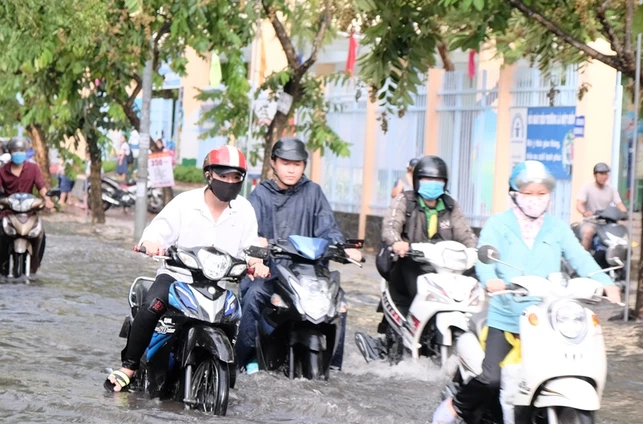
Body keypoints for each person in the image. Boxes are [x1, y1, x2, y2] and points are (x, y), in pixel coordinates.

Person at [433, 161, 622, 424]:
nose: (536, 199)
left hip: (546, 321)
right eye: (529, 193)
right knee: (491, 379)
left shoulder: (557, 228)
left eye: (542, 193)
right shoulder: (498, 224)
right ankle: (456, 406)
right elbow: (485, 258)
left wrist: (605, 282)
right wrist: (491, 280)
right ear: (515, 193)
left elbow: (580, 258)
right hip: (506, 318)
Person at [104, 145, 270, 392]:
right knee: (152, 306)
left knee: (236, 317)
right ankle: (128, 367)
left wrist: (257, 263)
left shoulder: (244, 210)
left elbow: (251, 247)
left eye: (236, 177)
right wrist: (152, 243)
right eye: (223, 175)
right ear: (209, 175)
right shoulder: (184, 203)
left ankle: (228, 369)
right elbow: (156, 231)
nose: (229, 181)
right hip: (177, 277)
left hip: (217, 284)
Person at [236, 136, 363, 374]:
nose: (291, 168)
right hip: (272, 274)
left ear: (304, 165)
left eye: (297, 163)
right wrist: (258, 249)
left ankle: (334, 365)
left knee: (339, 301)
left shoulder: (314, 192)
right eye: (285, 162)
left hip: (308, 276)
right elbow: (249, 234)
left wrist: (344, 247)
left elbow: (329, 228)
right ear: (274, 163)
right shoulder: (260, 195)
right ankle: (245, 360)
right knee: (253, 295)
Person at [380, 155, 478, 319]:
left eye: (438, 180)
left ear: (445, 183)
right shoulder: (405, 200)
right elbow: (390, 226)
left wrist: (476, 250)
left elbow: (465, 233)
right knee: (407, 267)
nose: (432, 183)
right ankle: (409, 324)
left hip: (444, 267)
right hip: (412, 261)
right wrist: (398, 243)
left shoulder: (450, 205)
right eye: (427, 179)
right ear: (418, 180)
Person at [0, 137, 54, 273]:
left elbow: (41, 187)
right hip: (8, 213)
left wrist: (47, 199)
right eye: (15, 150)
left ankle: (35, 267)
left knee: (41, 237)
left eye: (21, 150)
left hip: (29, 213)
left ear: (26, 151)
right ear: (10, 152)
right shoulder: (2, 170)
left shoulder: (33, 169)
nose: (18, 153)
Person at [576, 162, 628, 251]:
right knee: (587, 233)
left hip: (607, 223)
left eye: (606, 173)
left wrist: (626, 214)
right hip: (592, 222)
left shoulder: (611, 189)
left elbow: (619, 204)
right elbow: (579, 204)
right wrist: (585, 212)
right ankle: (584, 259)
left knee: (621, 235)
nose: (604, 176)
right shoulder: (587, 188)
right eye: (601, 173)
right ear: (595, 175)